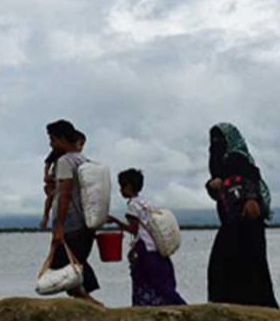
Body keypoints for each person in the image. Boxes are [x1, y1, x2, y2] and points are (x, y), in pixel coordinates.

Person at [206, 123, 277, 308]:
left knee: (249, 266)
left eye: (220, 139)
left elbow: (251, 174)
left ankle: (257, 310)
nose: (215, 144)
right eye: (213, 140)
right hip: (230, 222)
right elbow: (218, 194)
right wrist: (212, 185)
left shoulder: (238, 157)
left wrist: (251, 198)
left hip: (248, 221)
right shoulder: (217, 163)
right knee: (223, 265)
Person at [108, 169, 185, 306]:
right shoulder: (144, 202)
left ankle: (173, 304)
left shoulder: (132, 206)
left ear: (129, 187)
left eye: (122, 186)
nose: (120, 190)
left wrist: (116, 221)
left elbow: (133, 230)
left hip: (145, 250)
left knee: (145, 280)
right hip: (155, 247)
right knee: (161, 283)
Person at [47, 120, 101, 306]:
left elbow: (65, 194)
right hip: (85, 221)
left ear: (62, 138)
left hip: (71, 222)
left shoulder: (64, 162)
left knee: (64, 264)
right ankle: (85, 298)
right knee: (76, 261)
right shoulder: (82, 159)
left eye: (52, 139)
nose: (51, 144)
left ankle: (87, 300)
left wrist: (59, 225)